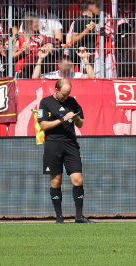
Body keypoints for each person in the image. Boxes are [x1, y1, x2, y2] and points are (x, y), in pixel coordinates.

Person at [37, 79, 94, 224]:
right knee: (56, 181)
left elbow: (81, 123)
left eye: (68, 94)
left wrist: (75, 118)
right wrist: (63, 119)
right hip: (53, 145)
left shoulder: (72, 103)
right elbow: (43, 125)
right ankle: (59, 217)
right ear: (56, 89)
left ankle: (79, 216)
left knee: (78, 179)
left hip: (70, 144)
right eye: (63, 94)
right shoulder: (45, 103)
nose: (65, 97)